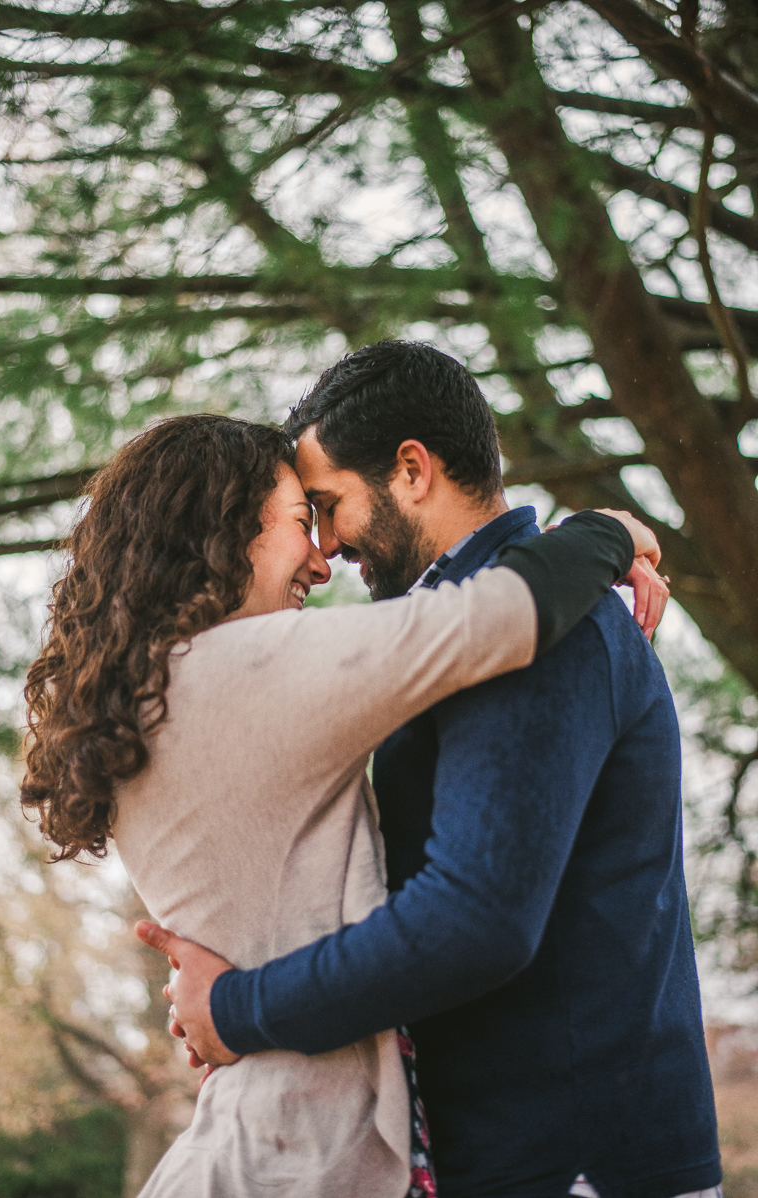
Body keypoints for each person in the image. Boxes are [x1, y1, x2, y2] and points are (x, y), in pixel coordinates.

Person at [21, 411, 660, 1198]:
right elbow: (499, 615)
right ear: (223, 530)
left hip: (253, 1150)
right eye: (300, 521)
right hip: (297, 1165)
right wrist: (608, 531)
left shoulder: (145, 696)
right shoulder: (246, 670)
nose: (322, 562)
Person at [146, 343, 720, 1198]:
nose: (329, 547)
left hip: (576, 1164)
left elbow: (477, 918)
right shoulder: (462, 633)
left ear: (412, 469)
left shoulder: (535, 637)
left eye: (331, 506)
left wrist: (237, 1009)